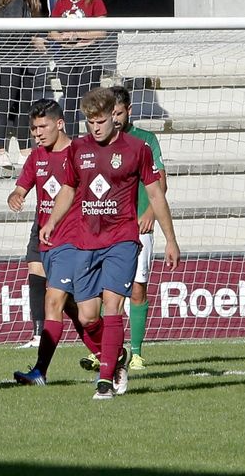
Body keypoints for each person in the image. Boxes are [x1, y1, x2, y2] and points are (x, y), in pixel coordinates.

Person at [38, 87, 180, 400]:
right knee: (87, 315)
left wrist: (170, 239)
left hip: (122, 239)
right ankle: (115, 357)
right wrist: (52, 221)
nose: (96, 127)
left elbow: (156, 193)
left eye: (101, 121)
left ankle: (104, 382)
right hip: (86, 240)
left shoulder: (137, 148)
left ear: (114, 118)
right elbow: (68, 189)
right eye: (90, 122)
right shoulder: (78, 149)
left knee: (113, 306)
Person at [10, 98, 90, 380]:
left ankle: (39, 371)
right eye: (33, 128)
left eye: (42, 127)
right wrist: (16, 195)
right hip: (44, 236)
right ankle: (110, 355)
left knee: (54, 301)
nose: (38, 133)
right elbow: (22, 186)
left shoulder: (80, 153)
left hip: (71, 238)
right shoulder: (37, 156)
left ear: (60, 124)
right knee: (72, 308)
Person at [108, 85, 165, 371]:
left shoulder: (145, 140)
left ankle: (137, 351)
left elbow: (160, 185)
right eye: (111, 113)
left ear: (129, 111)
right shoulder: (100, 142)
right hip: (108, 227)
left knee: (138, 289)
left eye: (119, 113)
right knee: (109, 291)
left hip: (139, 227)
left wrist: (151, 212)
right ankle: (108, 351)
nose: (115, 119)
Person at [0, 0, 45, 169]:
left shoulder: (23, 4)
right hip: (4, 61)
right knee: (3, 105)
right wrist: (32, 39)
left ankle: (24, 150)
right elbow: (10, 34)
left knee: (23, 107)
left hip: (21, 62)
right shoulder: (14, 3)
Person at [50, 0, 108, 137]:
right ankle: (73, 142)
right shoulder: (61, 2)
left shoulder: (95, 1)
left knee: (91, 101)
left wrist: (80, 34)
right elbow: (51, 30)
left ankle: (95, 139)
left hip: (88, 55)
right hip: (67, 55)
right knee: (70, 101)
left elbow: (102, 31)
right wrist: (61, 37)